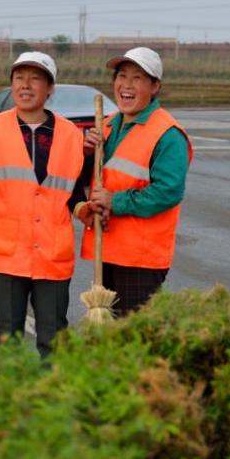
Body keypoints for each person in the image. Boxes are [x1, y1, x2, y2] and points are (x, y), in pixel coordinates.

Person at [0, 51, 86, 358]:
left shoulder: (71, 135)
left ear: (50, 88)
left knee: (53, 337)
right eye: (19, 78)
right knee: (7, 337)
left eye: (35, 78)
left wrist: (85, 210)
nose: (26, 85)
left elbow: (73, 194)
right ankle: (10, 402)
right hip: (8, 255)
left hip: (52, 256)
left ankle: (50, 399)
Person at [79, 47, 191, 317]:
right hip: (106, 250)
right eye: (122, 76)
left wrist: (115, 201)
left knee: (134, 338)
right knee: (107, 337)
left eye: (137, 78)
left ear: (155, 86)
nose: (126, 85)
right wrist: (86, 154)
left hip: (141, 258)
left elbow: (168, 192)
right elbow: (87, 180)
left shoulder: (167, 133)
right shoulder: (105, 126)